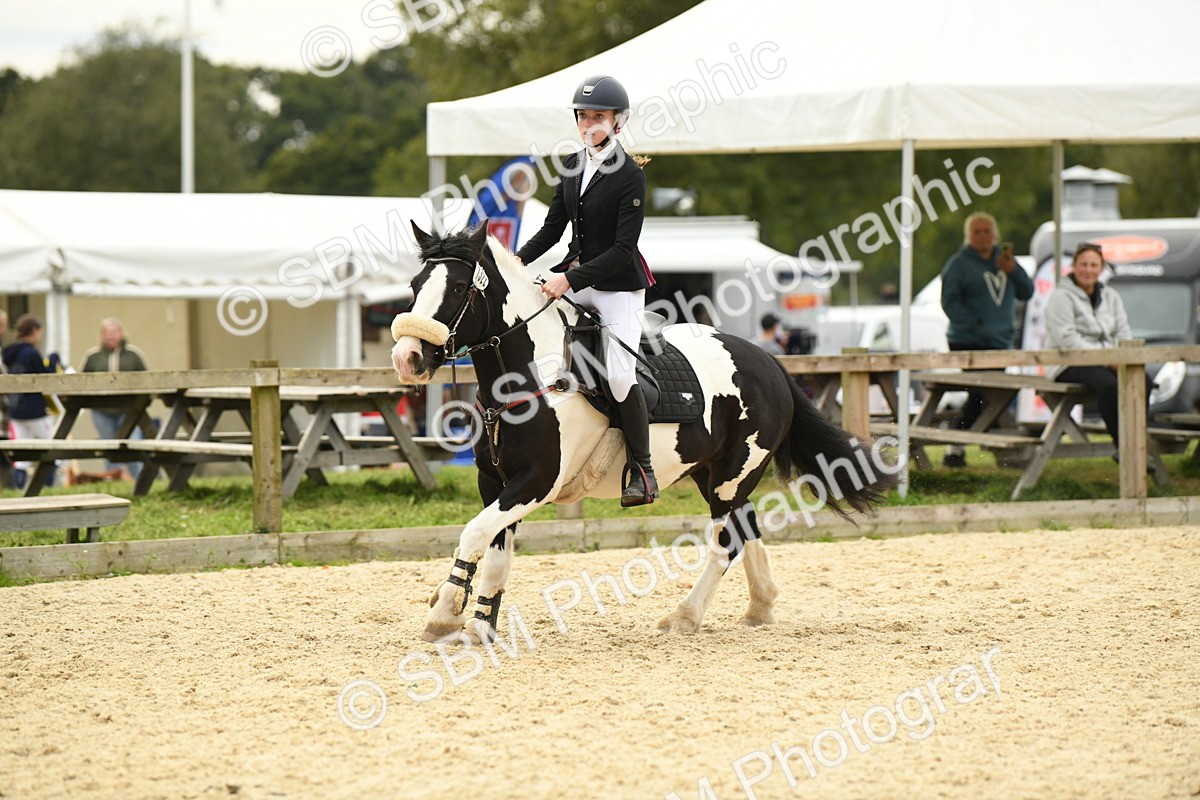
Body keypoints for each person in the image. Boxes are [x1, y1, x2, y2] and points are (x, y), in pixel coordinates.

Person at [514, 74, 658, 506]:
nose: (589, 124)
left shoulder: (630, 174)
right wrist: (516, 261)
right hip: (577, 279)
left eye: (599, 116)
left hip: (617, 288)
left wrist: (569, 279)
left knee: (617, 375)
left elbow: (622, 248)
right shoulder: (573, 165)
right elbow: (552, 228)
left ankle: (643, 470)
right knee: (541, 346)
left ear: (617, 122)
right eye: (584, 116)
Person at [939, 212, 1034, 467]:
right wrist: (976, 322)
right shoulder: (958, 264)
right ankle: (960, 445)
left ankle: (968, 444)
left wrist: (1014, 271)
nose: (983, 236)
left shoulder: (1005, 260)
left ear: (996, 235)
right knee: (982, 393)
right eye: (977, 232)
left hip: (999, 341)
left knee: (991, 395)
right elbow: (949, 302)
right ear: (968, 236)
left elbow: (1028, 291)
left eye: (987, 231)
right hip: (968, 340)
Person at [1045, 242, 1148, 450]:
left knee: (1142, 380)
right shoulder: (1060, 297)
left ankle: (1136, 440)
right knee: (1109, 385)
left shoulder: (1111, 296)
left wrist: (1121, 358)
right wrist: (1107, 359)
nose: (1088, 270)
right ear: (1073, 266)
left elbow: (1123, 331)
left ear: (1101, 268)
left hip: (1109, 361)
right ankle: (1125, 448)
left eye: (1094, 265)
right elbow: (1069, 340)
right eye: (1083, 264)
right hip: (1068, 363)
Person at [81, 318, 148, 478]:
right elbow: (82, 380)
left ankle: (140, 481)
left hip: (129, 411)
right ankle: (112, 481)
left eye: (114, 332)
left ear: (121, 333)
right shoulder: (93, 356)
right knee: (108, 447)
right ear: (102, 335)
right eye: (107, 332)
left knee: (133, 445)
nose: (110, 336)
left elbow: (146, 379)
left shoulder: (133, 355)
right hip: (101, 411)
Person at [2, 314, 62, 487]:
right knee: (52, 445)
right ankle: (50, 485)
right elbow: (45, 378)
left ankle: (19, 487)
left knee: (22, 455)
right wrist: (53, 360)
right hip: (34, 411)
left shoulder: (8, 352)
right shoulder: (31, 353)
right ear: (35, 330)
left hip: (16, 410)